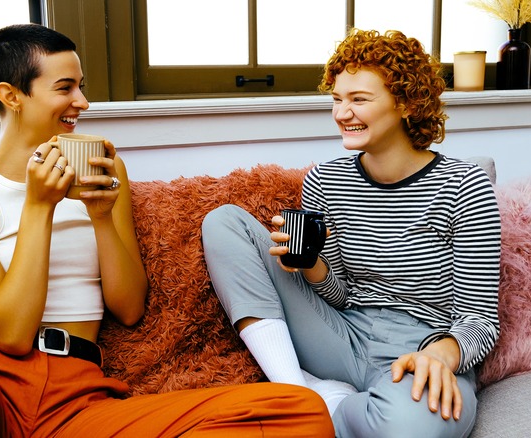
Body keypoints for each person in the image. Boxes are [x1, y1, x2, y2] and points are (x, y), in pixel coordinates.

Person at [0, 24, 334, 437]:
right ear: (11, 95)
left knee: (298, 412)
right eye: (65, 88)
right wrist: (38, 208)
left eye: (82, 86)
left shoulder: (105, 170)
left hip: (77, 401)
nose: (84, 102)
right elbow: (7, 332)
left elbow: (129, 308)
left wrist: (100, 216)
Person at [201, 28, 501, 438]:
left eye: (359, 99)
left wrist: (442, 356)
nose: (342, 113)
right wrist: (310, 267)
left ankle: (336, 405)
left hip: (419, 350)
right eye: (337, 99)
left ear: (407, 103)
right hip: (339, 334)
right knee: (223, 221)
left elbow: (479, 320)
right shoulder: (325, 180)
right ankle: (297, 394)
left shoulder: (465, 185)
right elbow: (342, 295)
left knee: (412, 427)